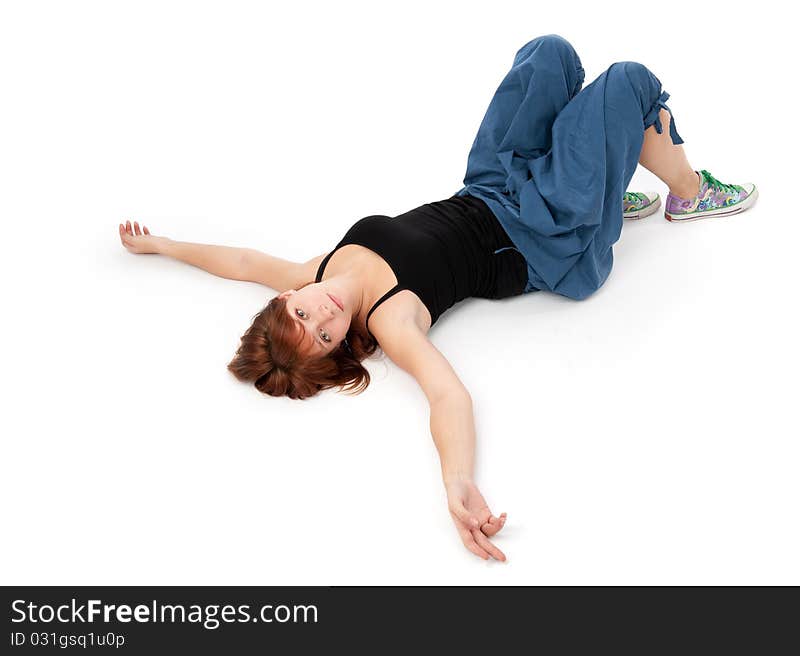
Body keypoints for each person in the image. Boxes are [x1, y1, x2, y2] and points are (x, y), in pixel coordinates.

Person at [118, 34, 758, 562]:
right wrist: (457, 483)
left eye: (303, 315)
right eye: (324, 340)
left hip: (488, 186)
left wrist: (166, 246)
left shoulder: (322, 264)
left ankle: (605, 181)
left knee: (549, 56)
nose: (324, 319)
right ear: (343, 347)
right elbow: (447, 395)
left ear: (291, 296)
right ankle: (689, 192)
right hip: (542, 235)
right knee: (627, 82)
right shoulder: (393, 318)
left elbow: (241, 260)